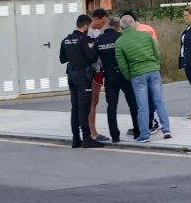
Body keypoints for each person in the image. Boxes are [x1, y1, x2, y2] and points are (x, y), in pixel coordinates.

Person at [116, 13, 172, 143]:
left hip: (137, 74)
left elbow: (122, 64)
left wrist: (129, 76)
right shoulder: (146, 35)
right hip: (153, 70)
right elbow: (156, 52)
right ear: (134, 23)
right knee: (159, 102)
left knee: (143, 106)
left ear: (121, 27)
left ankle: (145, 134)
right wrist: (155, 65)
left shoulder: (120, 42)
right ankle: (166, 129)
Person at [59, 13, 104, 149]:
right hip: (82, 76)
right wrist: (95, 46)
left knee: (75, 107)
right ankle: (86, 138)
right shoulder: (85, 39)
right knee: (84, 107)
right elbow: (91, 58)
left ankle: (75, 139)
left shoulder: (66, 40)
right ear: (85, 25)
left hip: (71, 74)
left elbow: (62, 59)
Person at [95, 15, 139, 142]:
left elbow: (95, 58)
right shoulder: (120, 37)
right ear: (118, 27)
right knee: (132, 103)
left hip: (109, 76)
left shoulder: (100, 39)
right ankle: (137, 131)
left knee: (112, 106)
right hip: (123, 74)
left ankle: (115, 136)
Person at [122, 10, 160, 131]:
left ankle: (146, 125)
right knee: (154, 98)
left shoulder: (133, 31)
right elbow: (156, 47)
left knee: (142, 101)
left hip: (138, 69)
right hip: (152, 66)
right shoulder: (149, 28)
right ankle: (154, 122)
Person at [85, 8, 110, 143]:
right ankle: (92, 132)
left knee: (95, 102)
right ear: (96, 18)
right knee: (92, 103)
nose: (103, 25)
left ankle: (91, 130)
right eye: (103, 22)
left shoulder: (97, 32)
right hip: (92, 72)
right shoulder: (88, 33)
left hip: (99, 70)